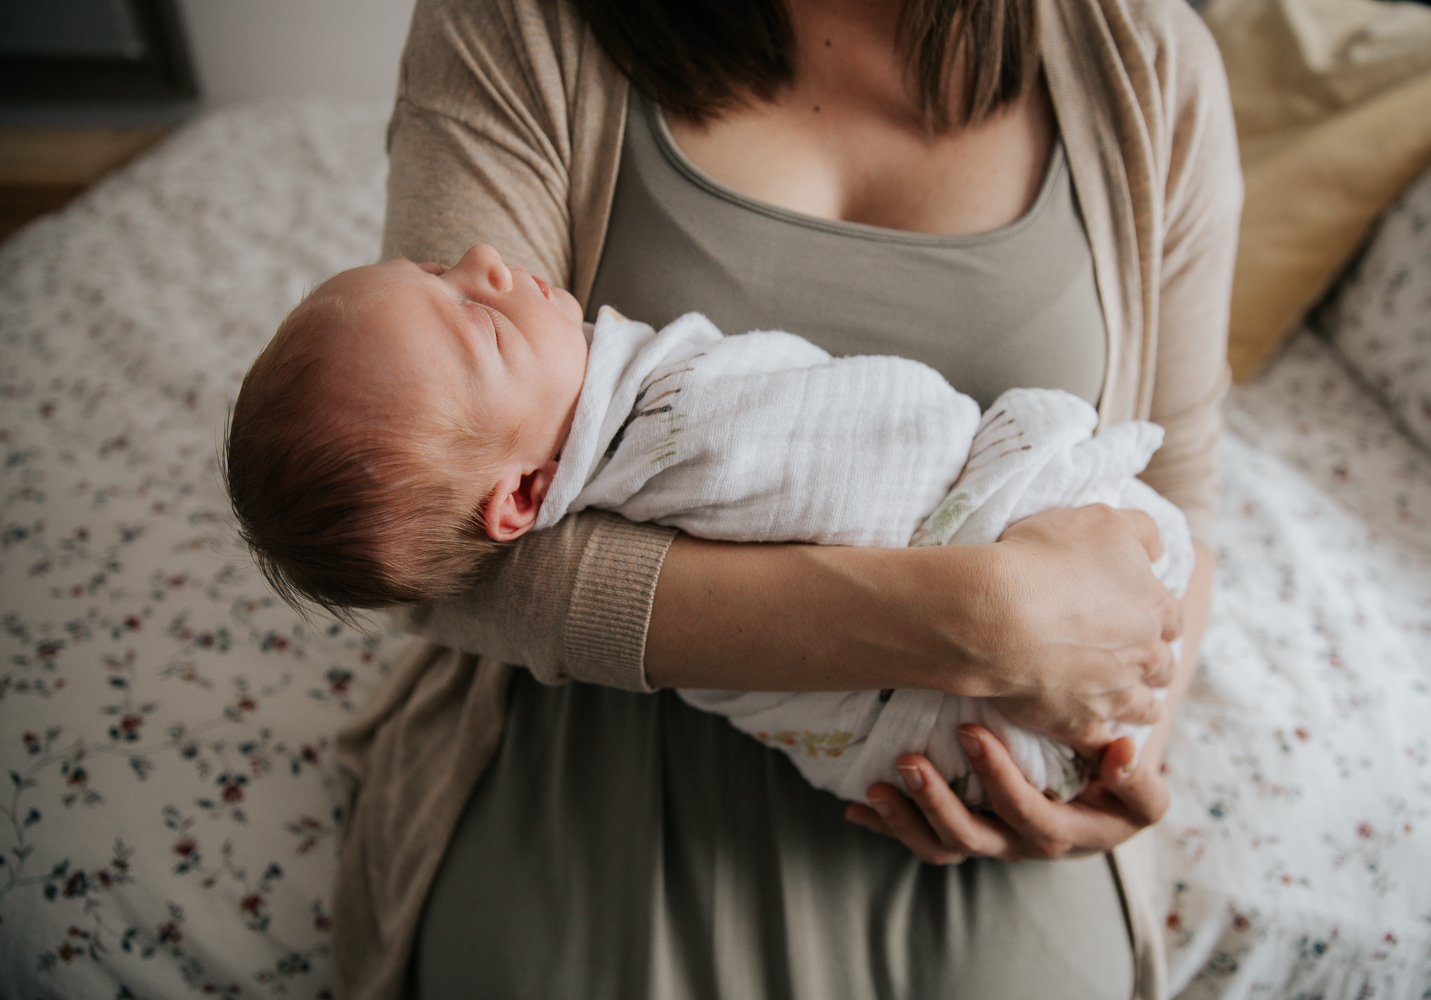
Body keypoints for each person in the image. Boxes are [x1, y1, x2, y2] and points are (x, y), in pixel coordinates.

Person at [331, 0, 1240, 997]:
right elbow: (437, 545)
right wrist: (976, 620)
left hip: (977, 791)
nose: (480, 281)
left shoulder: (1147, 67)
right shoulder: (513, 24)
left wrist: (1120, 743)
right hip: (593, 747)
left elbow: (1181, 491)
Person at [228, 250, 1193, 803]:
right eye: (475, 319)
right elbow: (880, 443)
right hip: (956, 718)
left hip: (1064, 703)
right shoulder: (685, 425)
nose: (484, 258)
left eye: (440, 266)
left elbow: (1203, 468)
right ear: (522, 498)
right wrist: (1004, 580)